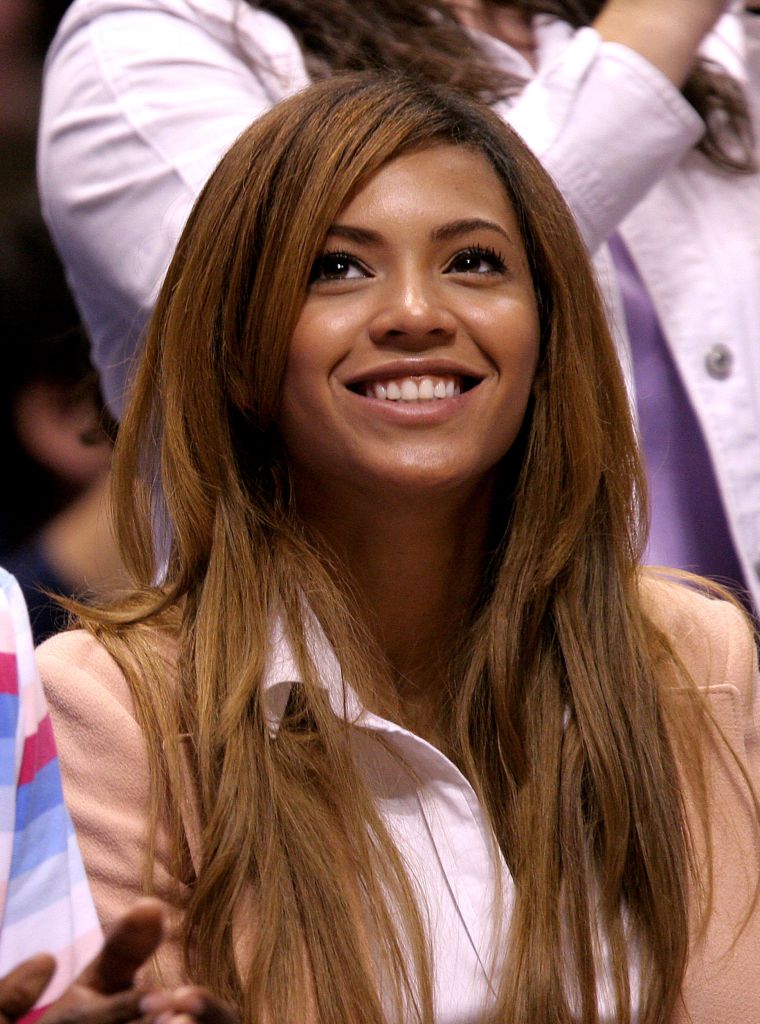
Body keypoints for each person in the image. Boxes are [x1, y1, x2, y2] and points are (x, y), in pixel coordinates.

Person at [37, 75, 760, 1024]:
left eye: (473, 262)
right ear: (238, 343)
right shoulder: (107, 709)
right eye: (336, 269)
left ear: (548, 328)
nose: (416, 311)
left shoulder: (695, 652)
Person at [37, 0, 760, 610]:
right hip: (338, 726)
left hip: (710, 699)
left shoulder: (708, 31)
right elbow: (273, 292)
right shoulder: (149, 37)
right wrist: (663, 23)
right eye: (343, 264)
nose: (416, 310)